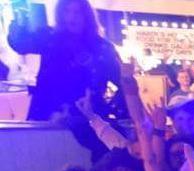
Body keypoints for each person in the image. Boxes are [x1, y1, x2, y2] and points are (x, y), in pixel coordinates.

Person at [8, 0, 122, 161]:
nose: (71, 17)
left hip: (88, 116)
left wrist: (117, 111)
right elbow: (21, 44)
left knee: (94, 162)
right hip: (48, 113)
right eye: (67, 12)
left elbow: (121, 80)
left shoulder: (101, 47)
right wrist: (20, 17)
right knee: (45, 160)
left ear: (86, 16)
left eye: (76, 13)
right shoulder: (49, 38)